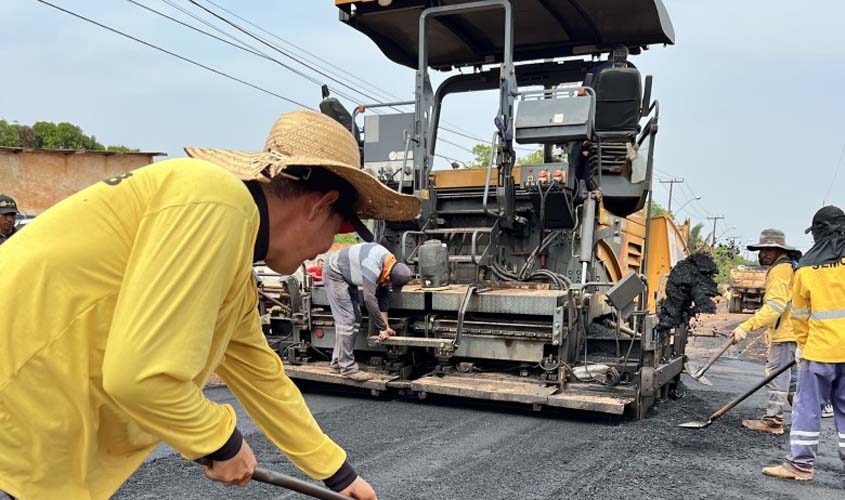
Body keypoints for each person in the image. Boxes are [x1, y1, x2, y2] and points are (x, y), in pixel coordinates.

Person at [0, 110, 420, 499]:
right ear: (321, 204)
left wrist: (340, 475)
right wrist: (220, 442)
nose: (328, 248)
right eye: (342, 227)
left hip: (33, 434)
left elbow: (261, 376)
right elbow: (140, 377)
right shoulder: (215, 201)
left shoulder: (231, 252)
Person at [762, 205, 845, 481]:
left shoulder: (807, 267)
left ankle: (800, 465)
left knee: (808, 407)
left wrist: (802, 346)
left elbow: (799, 315)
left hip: (820, 351)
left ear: (819, 232)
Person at [731, 229, 801, 435]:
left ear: (778, 250)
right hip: (796, 332)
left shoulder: (779, 270)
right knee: (795, 382)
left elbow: (774, 308)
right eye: (762, 250)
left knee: (777, 378)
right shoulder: (791, 267)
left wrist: (745, 327)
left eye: (768, 250)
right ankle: (803, 419)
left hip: (786, 334)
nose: (763, 254)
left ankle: (773, 421)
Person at [324, 242, 413, 381]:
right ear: (390, 276)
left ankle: (337, 362)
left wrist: (386, 327)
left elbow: (382, 297)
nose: (389, 285)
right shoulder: (373, 265)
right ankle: (347, 368)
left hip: (347, 275)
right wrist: (381, 328)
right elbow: (369, 299)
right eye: (390, 283)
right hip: (335, 273)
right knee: (346, 320)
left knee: (356, 319)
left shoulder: (389, 265)